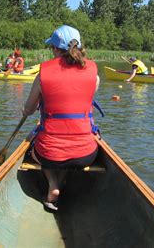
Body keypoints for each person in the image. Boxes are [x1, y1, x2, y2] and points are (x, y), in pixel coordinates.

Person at [22, 25, 100, 212]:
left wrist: (25, 111)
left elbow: (30, 109)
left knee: (36, 148)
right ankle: (63, 178)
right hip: (86, 155)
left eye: (52, 48)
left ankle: (53, 184)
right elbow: (86, 105)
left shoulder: (42, 76)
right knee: (68, 148)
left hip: (49, 154)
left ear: (56, 49)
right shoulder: (94, 76)